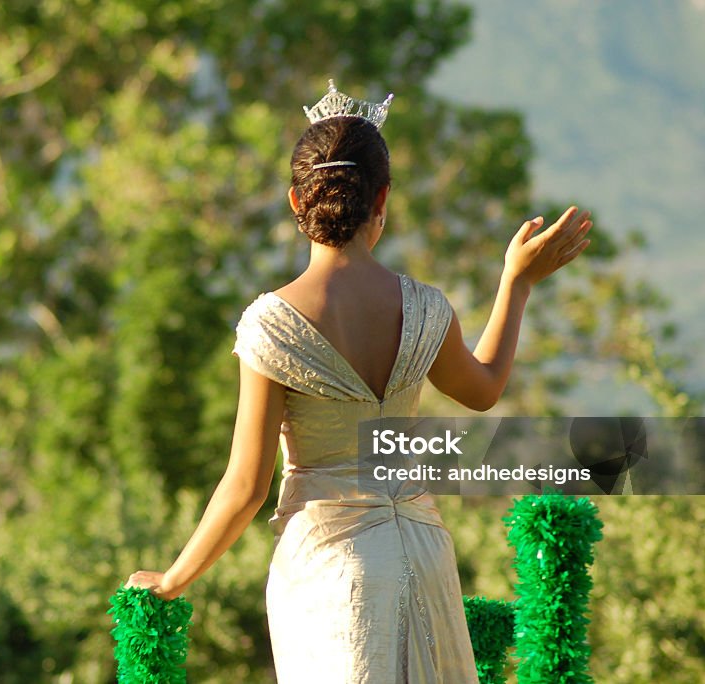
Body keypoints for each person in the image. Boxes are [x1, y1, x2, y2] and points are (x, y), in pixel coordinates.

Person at [126, 83, 592, 682]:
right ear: (383, 199)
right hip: (424, 552)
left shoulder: (273, 324)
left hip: (328, 563)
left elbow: (246, 486)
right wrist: (517, 284)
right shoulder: (427, 309)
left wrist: (171, 579)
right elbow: (483, 389)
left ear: (298, 200)